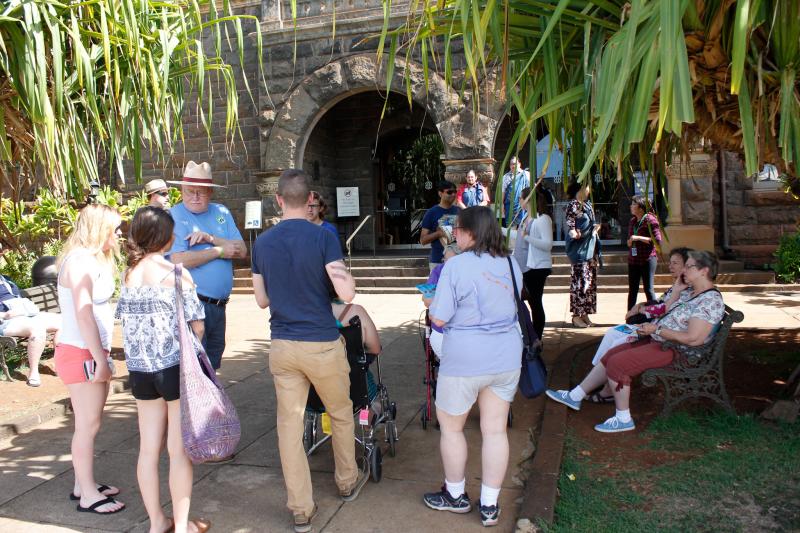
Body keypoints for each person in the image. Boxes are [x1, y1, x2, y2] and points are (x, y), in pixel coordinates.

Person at [251, 169, 366, 533]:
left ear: (279, 200)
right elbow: (346, 293)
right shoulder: (322, 237)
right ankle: (347, 481)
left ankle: (300, 508)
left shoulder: (262, 243)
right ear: (310, 199)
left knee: (289, 427)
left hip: (283, 345)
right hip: (321, 344)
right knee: (341, 413)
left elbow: (261, 300)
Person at [546, 250, 725, 433]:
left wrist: (657, 329)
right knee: (611, 354)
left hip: (678, 351)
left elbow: (693, 338)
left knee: (618, 364)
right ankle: (575, 396)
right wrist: (674, 296)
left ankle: (623, 418)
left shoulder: (710, 300)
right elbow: (666, 311)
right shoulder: (691, 293)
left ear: (704, 271)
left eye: (689, 266)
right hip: (662, 341)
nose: (684, 270)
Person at [424, 206, 522, 527]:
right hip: (506, 356)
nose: (455, 235)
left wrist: (430, 304)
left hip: (465, 358)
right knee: (495, 430)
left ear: (471, 232)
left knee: (452, 428)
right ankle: (490, 505)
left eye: (458, 230)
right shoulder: (511, 263)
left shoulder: (456, 266)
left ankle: (455, 495)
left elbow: (439, 318)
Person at [115, 207, 210, 533]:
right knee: (177, 450)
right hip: (173, 368)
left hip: (140, 370)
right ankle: (182, 526)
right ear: (166, 237)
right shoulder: (177, 275)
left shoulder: (128, 276)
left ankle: (157, 522)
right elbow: (198, 327)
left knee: (147, 449)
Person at [55, 204, 125, 515]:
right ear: (100, 229)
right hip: (83, 352)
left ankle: (83, 484)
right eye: (115, 228)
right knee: (87, 425)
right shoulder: (81, 262)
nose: (119, 234)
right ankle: (87, 495)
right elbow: (84, 314)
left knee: (89, 424)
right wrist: (100, 360)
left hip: (88, 351)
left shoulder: (85, 259)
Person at [585, 247, 693, 404]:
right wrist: (641, 305)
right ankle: (597, 377)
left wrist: (643, 310)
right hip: (653, 329)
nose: (670, 266)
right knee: (612, 333)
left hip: (656, 334)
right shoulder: (677, 286)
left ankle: (605, 385)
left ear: (687, 267)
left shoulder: (687, 290)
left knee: (617, 344)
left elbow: (664, 309)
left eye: (675, 263)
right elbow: (660, 302)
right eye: (670, 263)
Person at [167, 161, 247, 371]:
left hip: (219, 306)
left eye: (200, 192)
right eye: (189, 191)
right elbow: (177, 260)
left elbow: (242, 250)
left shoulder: (221, 212)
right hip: (193, 304)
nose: (194, 197)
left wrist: (210, 239)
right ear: (181, 190)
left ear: (210, 192)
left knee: (212, 366)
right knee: (194, 368)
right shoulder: (174, 216)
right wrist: (218, 251)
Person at [0, 268, 61, 387]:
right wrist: (6, 315)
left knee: (63, 322)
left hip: (23, 315)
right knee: (37, 328)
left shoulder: (5, 279)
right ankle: (34, 372)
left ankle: (60, 365)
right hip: (5, 322)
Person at [520, 186, 553, 340]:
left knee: (535, 303)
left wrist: (527, 237)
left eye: (521, 198)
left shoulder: (542, 218)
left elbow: (547, 244)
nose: (520, 201)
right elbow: (519, 237)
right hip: (529, 266)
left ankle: (537, 338)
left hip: (539, 267)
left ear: (527, 200)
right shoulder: (528, 218)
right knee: (532, 302)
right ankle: (533, 336)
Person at [564, 181, 599, 328]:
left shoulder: (588, 205)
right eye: (588, 187)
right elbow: (571, 226)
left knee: (589, 284)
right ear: (581, 188)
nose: (589, 190)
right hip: (580, 251)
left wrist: (595, 228)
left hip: (590, 249)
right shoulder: (573, 205)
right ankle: (576, 315)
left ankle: (585, 313)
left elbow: (591, 223)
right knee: (580, 283)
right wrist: (575, 233)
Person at [421, 243, 461, 358]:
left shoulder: (468, 273)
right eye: (445, 260)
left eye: (452, 261)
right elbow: (427, 300)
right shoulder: (439, 270)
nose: (447, 264)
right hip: (443, 331)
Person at [626, 195, 662, 311]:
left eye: (633, 204)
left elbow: (657, 241)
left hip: (647, 259)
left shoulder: (651, 220)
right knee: (632, 290)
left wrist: (638, 238)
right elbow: (629, 240)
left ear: (641, 207)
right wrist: (630, 242)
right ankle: (629, 316)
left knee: (648, 289)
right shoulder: (632, 221)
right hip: (633, 260)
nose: (631, 206)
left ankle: (654, 314)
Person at [420, 180, 460, 272]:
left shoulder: (459, 211)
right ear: (440, 193)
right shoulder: (431, 212)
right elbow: (423, 240)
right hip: (438, 261)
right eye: (449, 192)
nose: (453, 194)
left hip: (458, 259)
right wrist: (439, 233)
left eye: (455, 192)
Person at [500, 156, 529, 227]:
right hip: (509, 208)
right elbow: (502, 193)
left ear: (519, 164)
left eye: (515, 164)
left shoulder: (526, 174)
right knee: (511, 229)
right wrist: (501, 206)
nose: (513, 166)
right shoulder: (506, 177)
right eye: (511, 164)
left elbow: (531, 189)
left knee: (523, 228)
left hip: (523, 206)